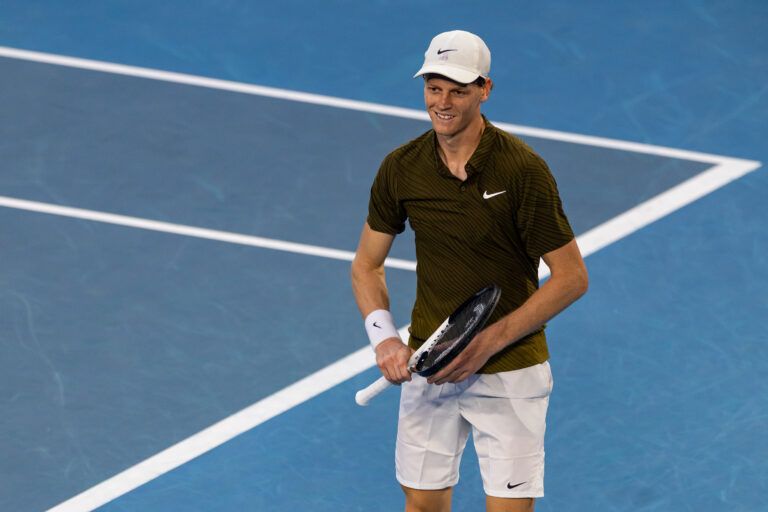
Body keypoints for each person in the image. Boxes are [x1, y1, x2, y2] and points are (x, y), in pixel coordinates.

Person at [351, 29, 588, 512]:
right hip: (430, 367)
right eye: (434, 88)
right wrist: (386, 339)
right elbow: (366, 265)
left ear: (485, 89)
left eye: (458, 90)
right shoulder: (401, 168)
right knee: (421, 505)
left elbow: (570, 278)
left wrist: (487, 341)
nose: (443, 102)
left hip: (510, 371)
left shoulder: (522, 171)